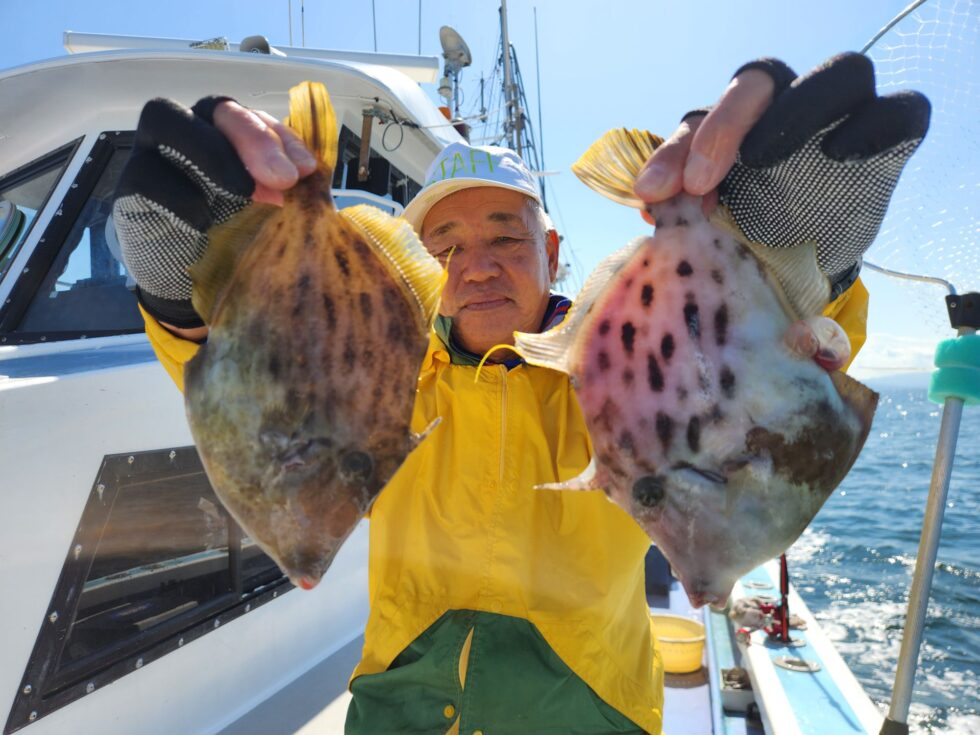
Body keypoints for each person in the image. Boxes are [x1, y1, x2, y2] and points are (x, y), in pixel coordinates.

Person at [112, 53, 928, 734]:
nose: (479, 263)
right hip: (399, 707)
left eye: (507, 237)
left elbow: (765, 370)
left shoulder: (612, 370)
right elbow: (244, 386)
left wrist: (793, 260)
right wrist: (185, 307)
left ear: (553, 249)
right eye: (449, 244)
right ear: (423, 264)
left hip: (591, 706)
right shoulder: (393, 377)